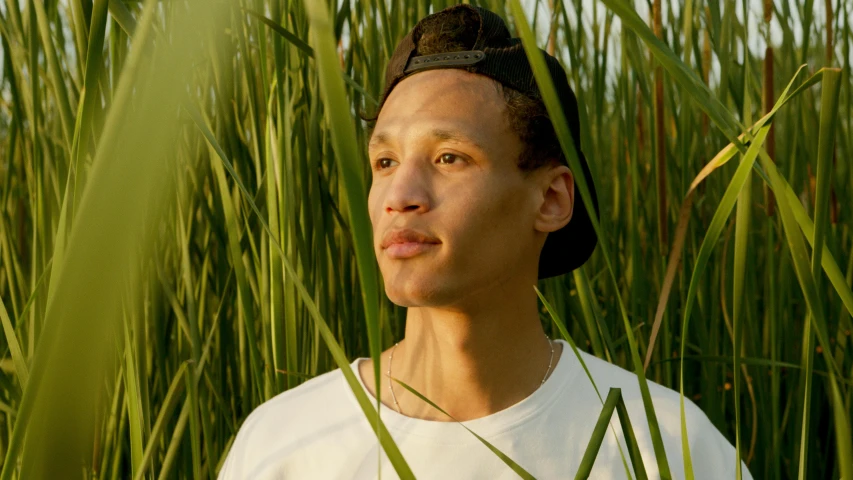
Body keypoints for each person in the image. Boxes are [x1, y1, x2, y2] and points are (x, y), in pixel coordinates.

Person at [218, 4, 752, 479]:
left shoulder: (661, 446)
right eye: (385, 162)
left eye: (449, 157)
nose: (398, 196)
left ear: (550, 200)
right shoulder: (284, 446)